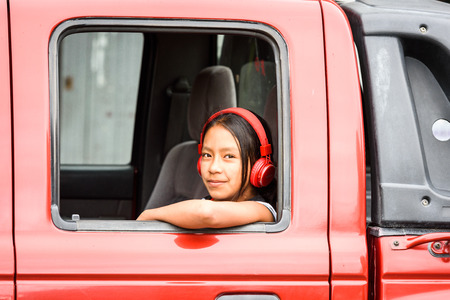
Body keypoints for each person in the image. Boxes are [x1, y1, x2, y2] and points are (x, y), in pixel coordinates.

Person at [137, 107, 276, 229]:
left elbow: (206, 213)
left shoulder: (263, 211)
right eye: (207, 155)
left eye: (229, 156)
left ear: (259, 166)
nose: (213, 168)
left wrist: (148, 214)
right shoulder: (205, 203)